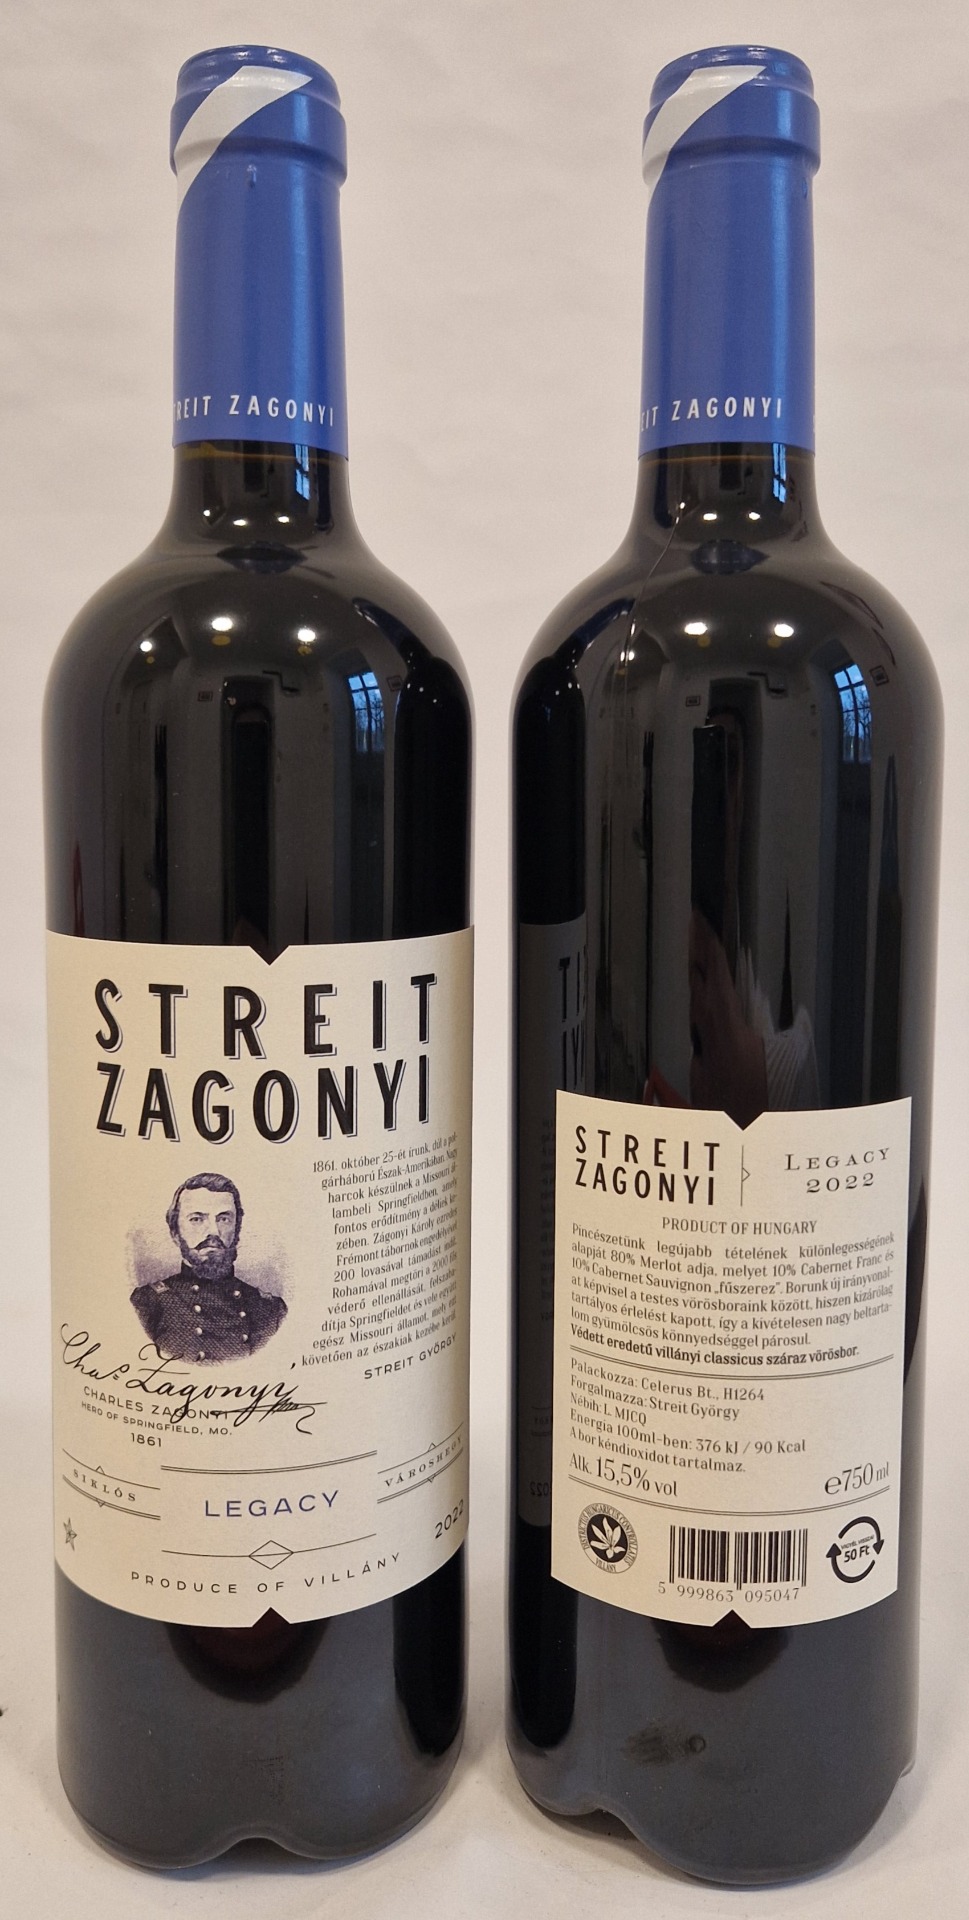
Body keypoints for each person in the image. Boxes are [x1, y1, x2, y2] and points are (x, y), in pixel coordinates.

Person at [130, 1171, 286, 1363]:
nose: (214, 1232)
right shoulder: (148, 1303)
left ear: (237, 1231)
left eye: (224, 1219)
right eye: (197, 1219)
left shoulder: (270, 1309)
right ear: (175, 1233)